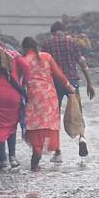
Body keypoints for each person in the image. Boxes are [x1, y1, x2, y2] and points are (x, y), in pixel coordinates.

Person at [42, 22, 95, 163]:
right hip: (72, 82)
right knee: (77, 112)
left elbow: (43, 65)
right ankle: (82, 138)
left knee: (55, 116)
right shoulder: (72, 42)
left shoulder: (48, 43)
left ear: (53, 32)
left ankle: (58, 152)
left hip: (55, 82)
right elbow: (82, 62)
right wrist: (89, 82)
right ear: (64, 31)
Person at [22, 37, 75, 171]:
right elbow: (59, 74)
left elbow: (21, 81)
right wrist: (69, 87)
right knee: (48, 124)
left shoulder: (24, 60)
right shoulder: (46, 57)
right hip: (49, 95)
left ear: (24, 48)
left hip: (33, 96)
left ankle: (36, 154)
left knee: (35, 125)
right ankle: (54, 151)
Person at [0, 30, 31, 171]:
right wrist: (25, 84)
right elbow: (26, 66)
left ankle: (3, 161)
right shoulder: (14, 55)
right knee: (11, 127)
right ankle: (13, 158)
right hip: (14, 96)